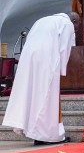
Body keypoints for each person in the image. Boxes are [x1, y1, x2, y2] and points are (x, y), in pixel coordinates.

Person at [2, 12, 78, 145]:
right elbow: (64, 48)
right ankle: (48, 135)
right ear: (74, 22)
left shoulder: (41, 20)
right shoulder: (67, 24)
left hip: (29, 58)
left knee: (33, 95)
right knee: (47, 97)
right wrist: (62, 70)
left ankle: (36, 133)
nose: (76, 28)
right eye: (77, 26)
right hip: (47, 59)